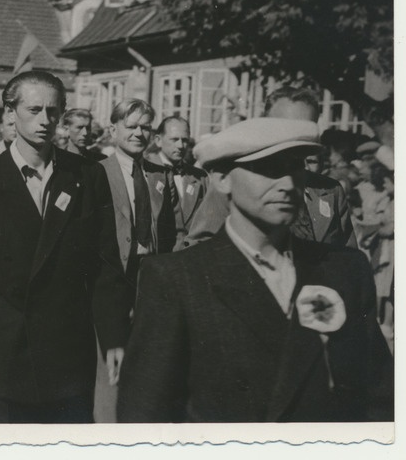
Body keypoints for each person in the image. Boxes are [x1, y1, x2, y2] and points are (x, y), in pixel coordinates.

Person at [117, 117, 393, 423]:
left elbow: (379, 397)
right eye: (269, 169)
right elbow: (144, 414)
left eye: (296, 167)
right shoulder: (177, 278)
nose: (288, 184)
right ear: (222, 179)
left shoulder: (344, 270)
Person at [0, 71, 126, 423]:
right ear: (10, 113)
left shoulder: (86, 176)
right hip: (1, 352)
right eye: (33, 110)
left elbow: (104, 265)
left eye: (53, 111)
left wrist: (114, 337)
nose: (45, 121)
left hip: (66, 354)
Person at [181, 87, 357, 249]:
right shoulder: (237, 182)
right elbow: (199, 248)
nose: (298, 136)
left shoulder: (330, 191)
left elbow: (347, 258)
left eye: (308, 127)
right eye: (285, 127)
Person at [94, 99, 177, 422]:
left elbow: (169, 234)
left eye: (146, 127)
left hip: (150, 280)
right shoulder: (97, 173)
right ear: (114, 129)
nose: (139, 133)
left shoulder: (159, 176)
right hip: (112, 281)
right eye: (131, 126)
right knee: (110, 370)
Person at [145, 116, 209, 247]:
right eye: (174, 139)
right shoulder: (145, 172)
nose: (180, 146)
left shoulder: (200, 177)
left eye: (185, 140)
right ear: (158, 140)